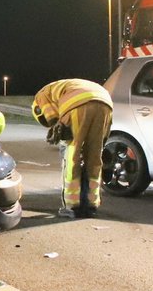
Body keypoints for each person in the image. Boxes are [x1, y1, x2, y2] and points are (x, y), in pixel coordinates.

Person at [32, 78, 114, 219]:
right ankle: (91, 204)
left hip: (76, 105)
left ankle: (71, 206)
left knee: (71, 156)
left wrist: (57, 126)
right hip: (105, 103)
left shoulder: (41, 96)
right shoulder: (64, 86)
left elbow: (51, 117)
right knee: (95, 157)